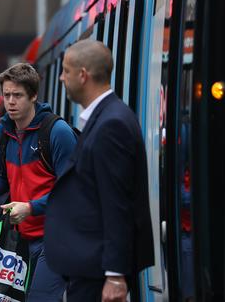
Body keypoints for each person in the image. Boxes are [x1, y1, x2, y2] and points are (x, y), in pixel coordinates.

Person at [45, 40, 154, 302]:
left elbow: (117, 204)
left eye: (66, 71)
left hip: (98, 271)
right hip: (91, 267)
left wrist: (115, 275)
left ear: (83, 75)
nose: (61, 78)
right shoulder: (107, 117)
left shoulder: (111, 125)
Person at [0, 63, 78, 301]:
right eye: (6, 95)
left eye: (17, 95)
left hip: (56, 236)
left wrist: (30, 208)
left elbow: (72, 191)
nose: (10, 102)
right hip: (19, 240)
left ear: (34, 95)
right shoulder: (4, 130)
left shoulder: (57, 132)